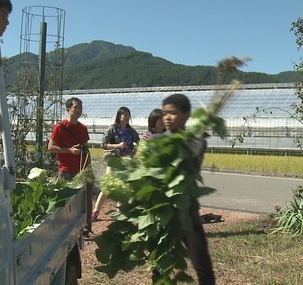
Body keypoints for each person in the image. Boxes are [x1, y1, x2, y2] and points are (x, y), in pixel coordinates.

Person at [152, 93, 216, 284]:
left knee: (202, 264)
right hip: (163, 215)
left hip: (188, 213)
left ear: (187, 115)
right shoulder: (154, 142)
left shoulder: (197, 142)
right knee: (160, 268)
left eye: (173, 112)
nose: (168, 117)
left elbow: (190, 167)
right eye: (165, 113)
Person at [47, 97, 94, 234]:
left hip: (82, 170)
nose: (78, 110)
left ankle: (86, 226)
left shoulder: (82, 128)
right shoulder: (60, 127)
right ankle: (65, 229)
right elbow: (51, 147)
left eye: (80, 108)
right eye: (76, 107)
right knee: (67, 202)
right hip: (67, 170)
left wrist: (89, 168)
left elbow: (86, 149)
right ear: (68, 109)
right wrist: (69, 150)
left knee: (86, 200)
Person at [92, 106, 140, 221]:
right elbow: (103, 145)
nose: (127, 117)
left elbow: (138, 141)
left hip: (126, 162)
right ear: (119, 116)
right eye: (124, 115)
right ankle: (95, 211)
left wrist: (134, 152)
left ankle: (120, 213)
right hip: (114, 162)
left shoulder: (130, 131)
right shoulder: (112, 129)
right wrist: (117, 146)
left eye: (128, 115)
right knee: (106, 187)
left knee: (122, 188)